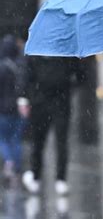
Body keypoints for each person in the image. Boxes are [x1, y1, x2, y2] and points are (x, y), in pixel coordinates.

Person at [22, 56, 79, 195]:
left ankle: (36, 177)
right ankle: (60, 179)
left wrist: (25, 98)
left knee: (39, 142)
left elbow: (27, 77)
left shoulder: (35, 52)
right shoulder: (65, 54)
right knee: (59, 142)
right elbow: (79, 76)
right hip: (60, 103)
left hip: (40, 102)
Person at [0, 34, 29, 183]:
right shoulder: (21, 66)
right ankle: (17, 168)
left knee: (3, 139)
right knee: (16, 140)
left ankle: (9, 162)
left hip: (3, 110)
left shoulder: (1, 68)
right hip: (18, 108)